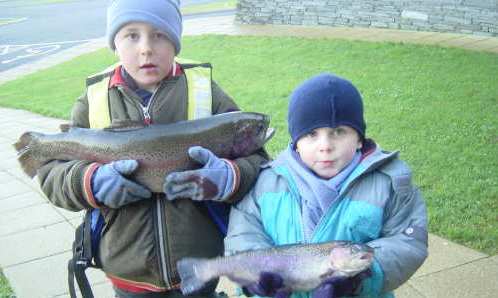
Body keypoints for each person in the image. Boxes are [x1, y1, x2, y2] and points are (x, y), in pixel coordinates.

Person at [36, 0, 268, 297]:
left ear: (176, 41)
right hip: (127, 273)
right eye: (132, 35)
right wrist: (90, 182)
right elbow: (53, 176)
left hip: (201, 269)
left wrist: (229, 177)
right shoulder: (93, 101)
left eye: (159, 34)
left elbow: (258, 163)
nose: (146, 48)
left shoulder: (206, 91)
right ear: (114, 44)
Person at [224, 73, 428, 298]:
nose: (325, 146)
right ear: (296, 142)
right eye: (312, 134)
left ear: (359, 138)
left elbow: (409, 243)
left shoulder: (390, 184)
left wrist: (360, 279)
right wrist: (255, 275)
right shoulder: (266, 181)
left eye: (338, 132)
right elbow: (243, 232)